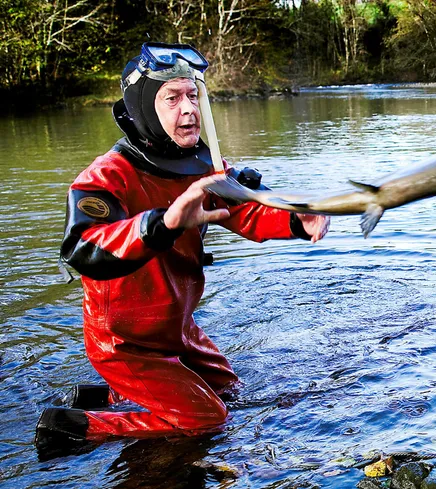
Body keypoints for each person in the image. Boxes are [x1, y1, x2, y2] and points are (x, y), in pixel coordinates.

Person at [35, 43, 329, 449]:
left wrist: (297, 218)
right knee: (208, 419)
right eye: (172, 98)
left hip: (178, 327)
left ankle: (107, 395)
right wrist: (166, 222)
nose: (188, 109)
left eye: (193, 95)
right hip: (124, 340)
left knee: (231, 394)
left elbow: (246, 212)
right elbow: (84, 248)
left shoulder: (207, 168)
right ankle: (71, 424)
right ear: (143, 108)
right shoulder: (106, 176)